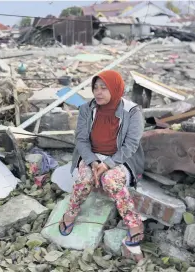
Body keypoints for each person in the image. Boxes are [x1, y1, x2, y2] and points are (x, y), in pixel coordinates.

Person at [59, 70, 145, 247]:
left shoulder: (133, 112)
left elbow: (131, 145)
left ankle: (133, 222)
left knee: (111, 180)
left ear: (116, 88)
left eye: (104, 88)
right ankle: (70, 213)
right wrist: (93, 161)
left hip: (121, 159)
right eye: (95, 88)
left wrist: (108, 164)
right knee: (85, 179)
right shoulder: (86, 109)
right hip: (92, 155)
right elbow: (81, 140)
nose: (98, 92)